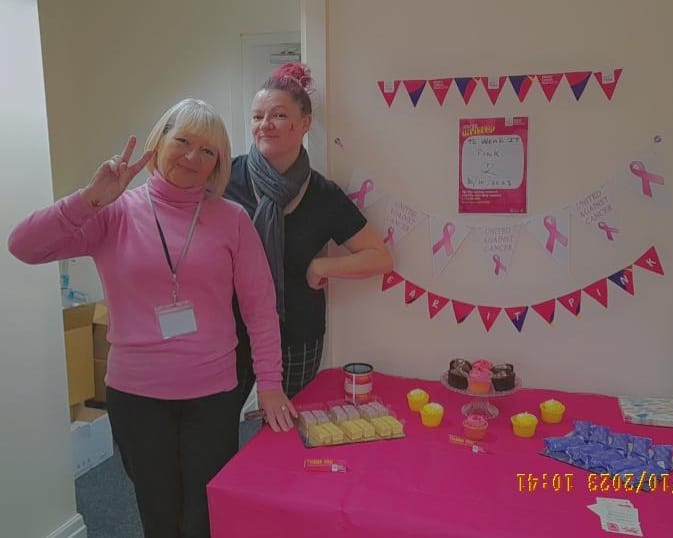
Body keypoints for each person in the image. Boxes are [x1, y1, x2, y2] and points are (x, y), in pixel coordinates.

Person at [8, 98, 295, 538]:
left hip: (213, 395)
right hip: (137, 397)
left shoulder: (232, 219)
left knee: (204, 514)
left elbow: (260, 308)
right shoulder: (115, 213)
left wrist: (270, 385)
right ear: (157, 143)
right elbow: (24, 246)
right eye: (182, 141)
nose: (192, 157)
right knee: (158, 513)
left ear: (219, 162)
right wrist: (88, 200)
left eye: (208, 151)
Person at [224, 63, 393, 415]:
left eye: (278, 115)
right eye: (257, 116)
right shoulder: (226, 180)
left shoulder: (322, 193)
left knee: (286, 432)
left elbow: (379, 257)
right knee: (219, 428)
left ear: (304, 124)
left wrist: (322, 266)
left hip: (296, 333)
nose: (264, 124)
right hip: (229, 331)